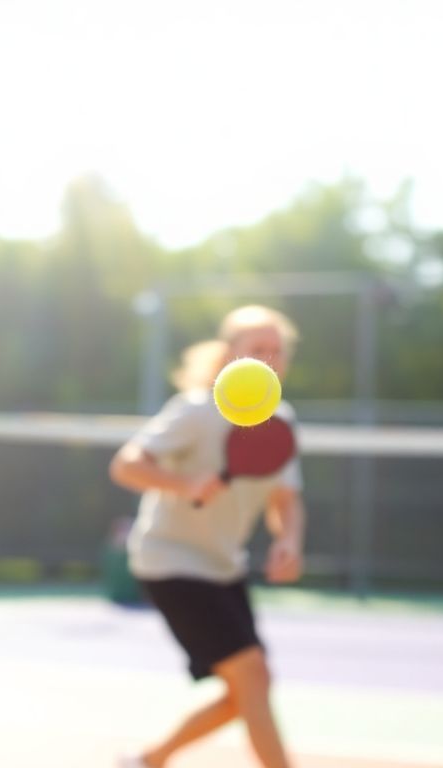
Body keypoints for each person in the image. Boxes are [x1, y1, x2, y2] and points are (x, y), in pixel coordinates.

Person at [110, 305, 305, 768]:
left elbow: (286, 500)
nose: (269, 357)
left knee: (249, 691)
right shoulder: (198, 409)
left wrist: (289, 541)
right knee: (252, 675)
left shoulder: (281, 420)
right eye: (258, 348)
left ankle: (150, 760)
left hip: (223, 566)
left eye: (277, 350)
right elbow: (126, 465)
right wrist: (184, 484)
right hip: (170, 560)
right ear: (229, 354)